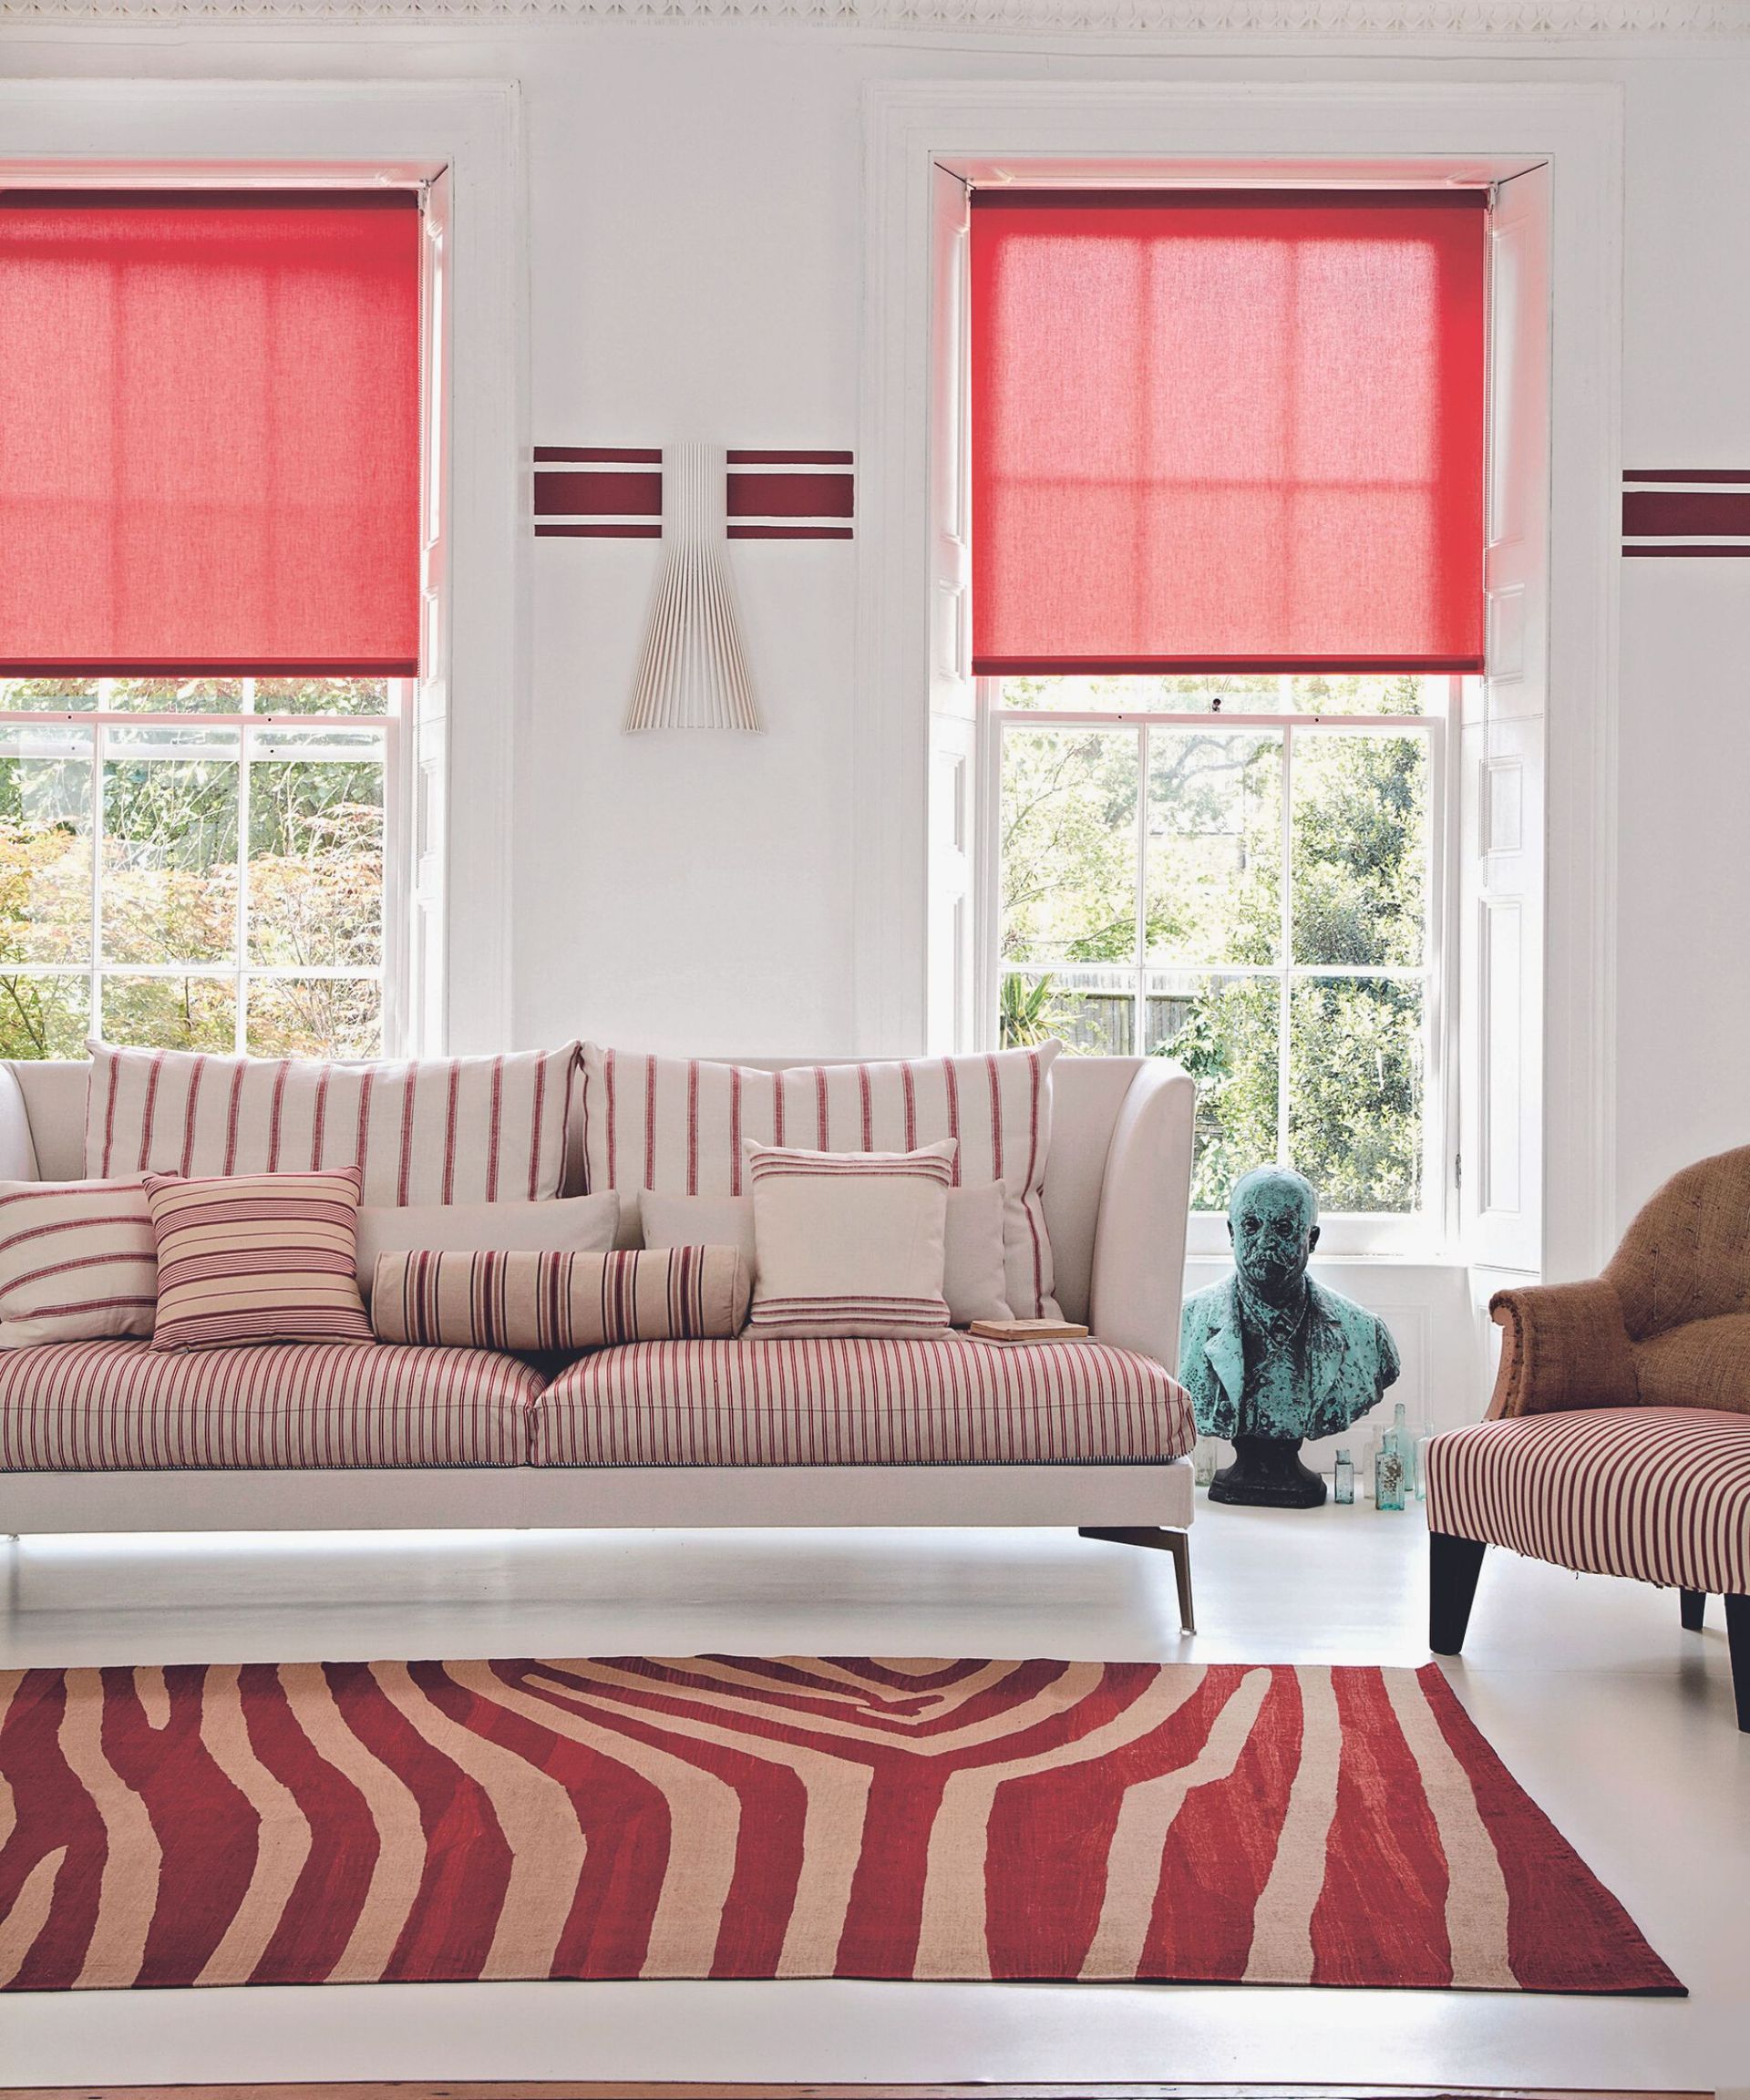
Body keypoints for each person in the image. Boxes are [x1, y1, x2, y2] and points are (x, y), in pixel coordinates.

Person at [1179, 1166, 1401, 1508]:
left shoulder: (1365, 1334)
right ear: (1232, 1233)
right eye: (1252, 1225)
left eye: (1283, 1228)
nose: (1266, 1241)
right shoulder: (1184, 1324)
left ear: (1310, 1239)